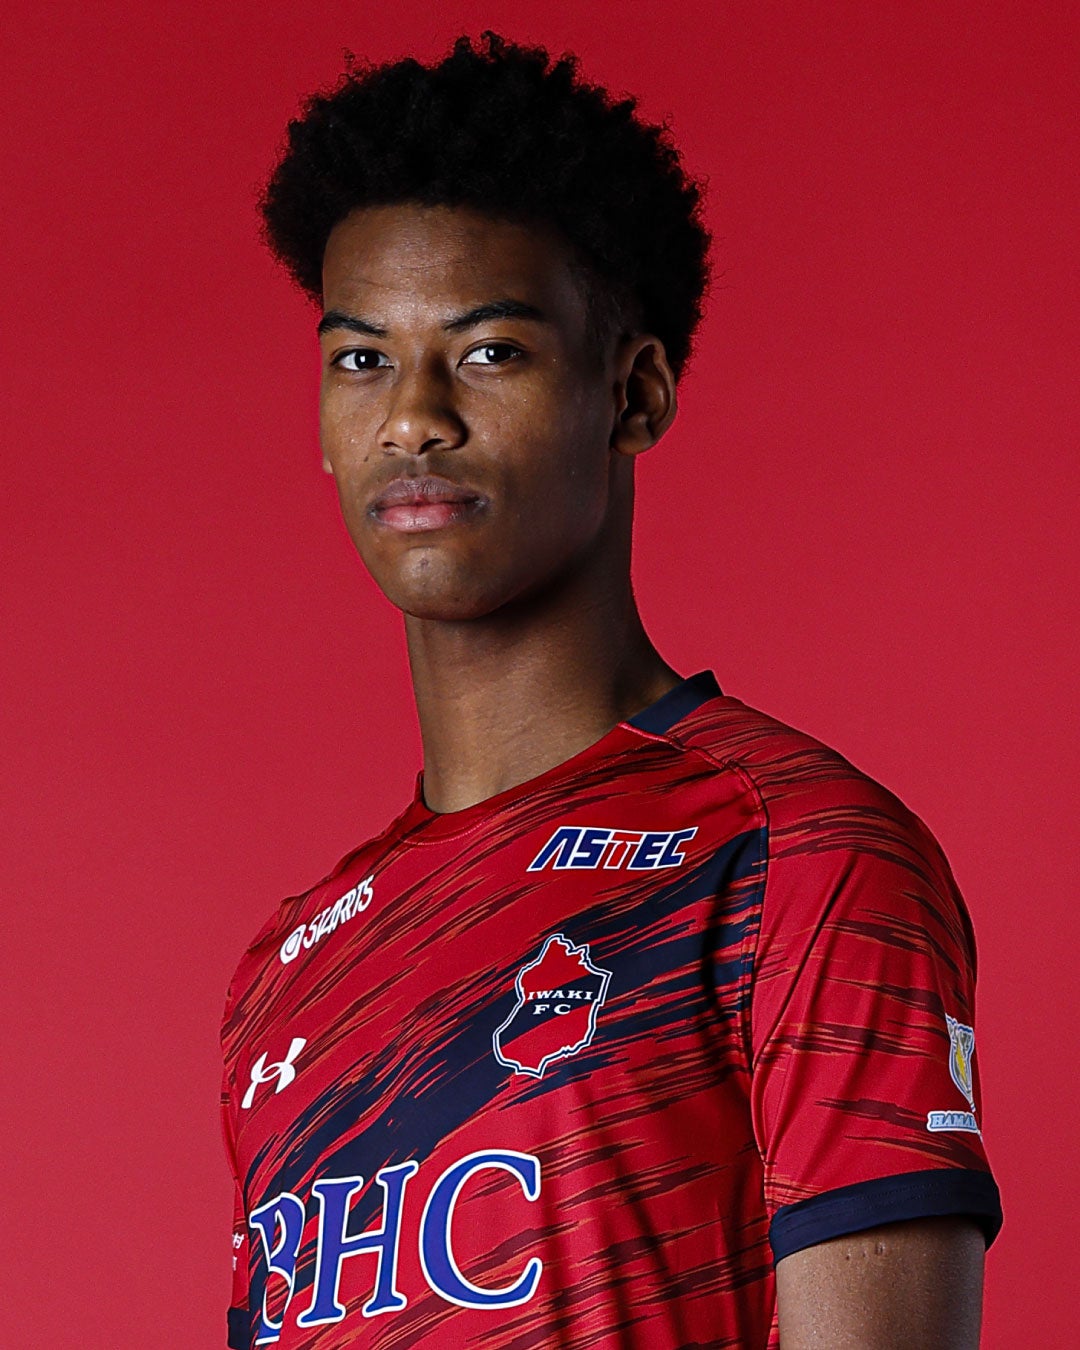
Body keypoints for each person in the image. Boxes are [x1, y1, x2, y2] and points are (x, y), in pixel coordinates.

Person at [221, 32, 1001, 1349]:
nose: (412, 417)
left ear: (631, 395)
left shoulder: (799, 859)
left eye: (489, 352)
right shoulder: (286, 974)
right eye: (361, 359)